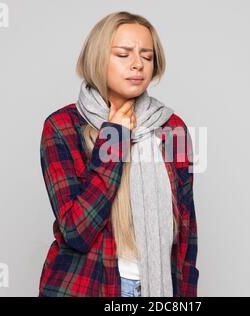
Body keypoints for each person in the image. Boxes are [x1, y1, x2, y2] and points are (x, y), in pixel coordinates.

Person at [38, 11, 198, 297]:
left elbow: (186, 231)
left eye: (147, 57)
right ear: (98, 59)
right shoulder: (62, 127)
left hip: (158, 289)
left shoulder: (173, 128)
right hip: (86, 287)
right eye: (124, 54)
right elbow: (77, 230)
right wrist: (115, 138)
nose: (137, 64)